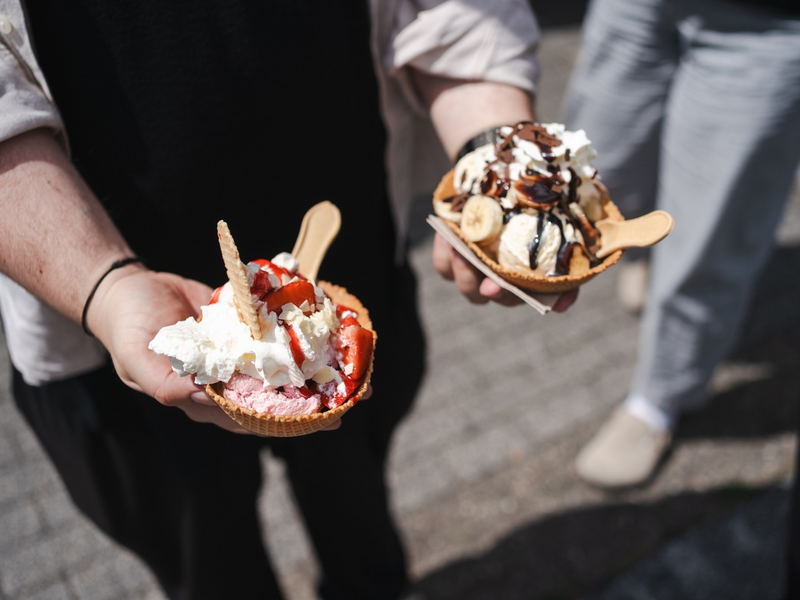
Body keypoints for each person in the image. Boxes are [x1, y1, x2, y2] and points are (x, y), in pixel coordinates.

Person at [0, 1, 575, 598]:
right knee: (206, 561)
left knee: (358, 510)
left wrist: (500, 169)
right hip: (108, 316)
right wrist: (106, 285)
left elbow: (455, 14)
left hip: (346, 287)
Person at [561, 0, 800, 489]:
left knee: (710, 230)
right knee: (596, 171)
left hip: (768, 21)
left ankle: (659, 401)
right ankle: (647, 250)